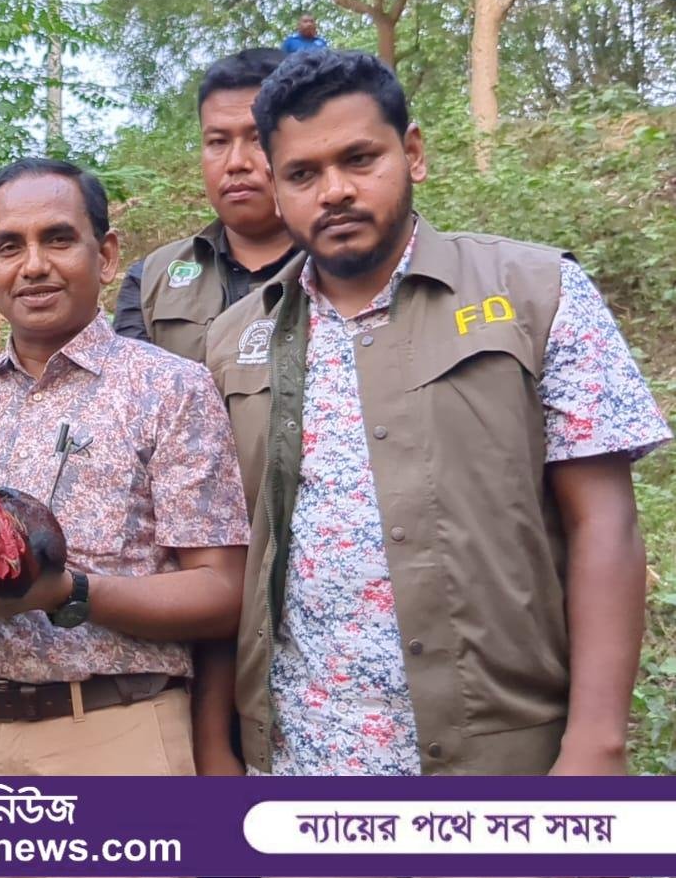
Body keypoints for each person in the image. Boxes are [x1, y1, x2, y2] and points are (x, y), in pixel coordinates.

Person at [206, 49, 671, 776]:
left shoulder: (537, 293)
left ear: (413, 153)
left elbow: (604, 524)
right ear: (275, 184)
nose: (334, 191)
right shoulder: (235, 340)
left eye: (359, 159)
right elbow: (227, 557)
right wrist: (218, 748)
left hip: (500, 760)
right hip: (297, 762)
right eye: (302, 174)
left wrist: (596, 741)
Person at [0, 158, 249, 776]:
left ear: (105, 256)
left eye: (58, 239)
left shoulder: (171, 389)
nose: (33, 265)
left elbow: (222, 591)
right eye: (9, 247)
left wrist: (74, 593)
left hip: (114, 734)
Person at [113, 48, 297, 368]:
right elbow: (132, 391)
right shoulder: (150, 282)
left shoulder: (344, 270)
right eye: (218, 142)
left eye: (258, 138)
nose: (236, 162)